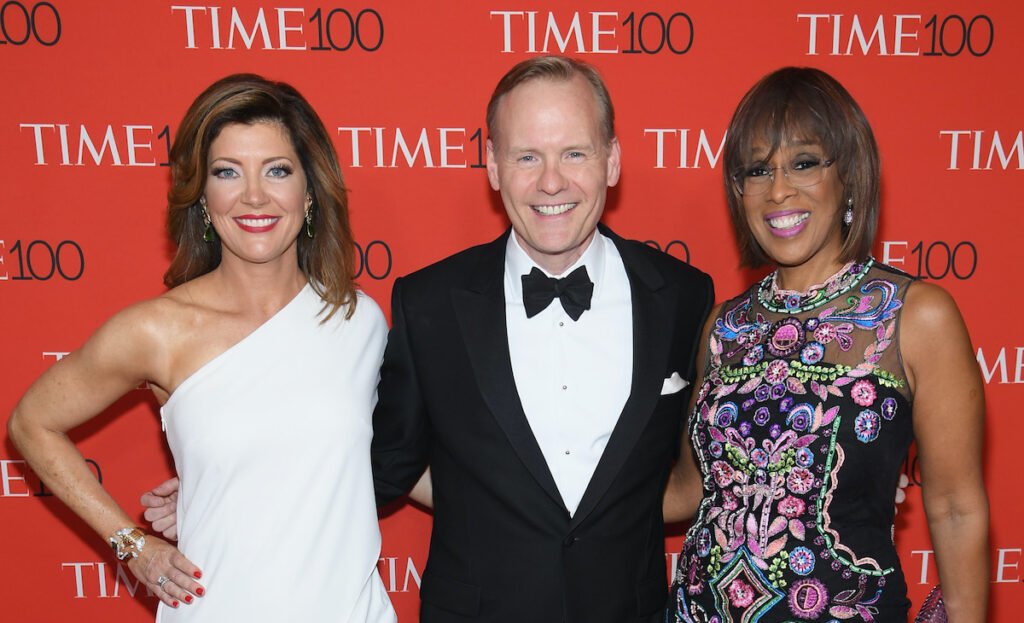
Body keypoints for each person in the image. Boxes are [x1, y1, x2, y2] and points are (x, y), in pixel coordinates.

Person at [8, 74, 397, 623]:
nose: (254, 196)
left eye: (278, 170)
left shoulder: (358, 320)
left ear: (310, 192)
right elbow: (31, 422)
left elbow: (390, 459)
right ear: (203, 196)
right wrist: (131, 546)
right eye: (227, 172)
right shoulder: (158, 330)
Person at [364, 56, 714, 622]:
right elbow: (382, 467)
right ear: (494, 167)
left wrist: (848, 474)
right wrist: (229, 489)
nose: (551, 181)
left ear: (612, 161)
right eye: (527, 156)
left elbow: (718, 457)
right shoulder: (429, 304)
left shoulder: (682, 297)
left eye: (574, 153)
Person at [663, 67, 988, 622]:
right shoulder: (723, 327)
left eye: (805, 163)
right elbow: (689, 492)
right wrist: (558, 490)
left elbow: (956, 508)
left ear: (850, 178)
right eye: (757, 170)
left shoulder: (914, 315)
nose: (778, 190)